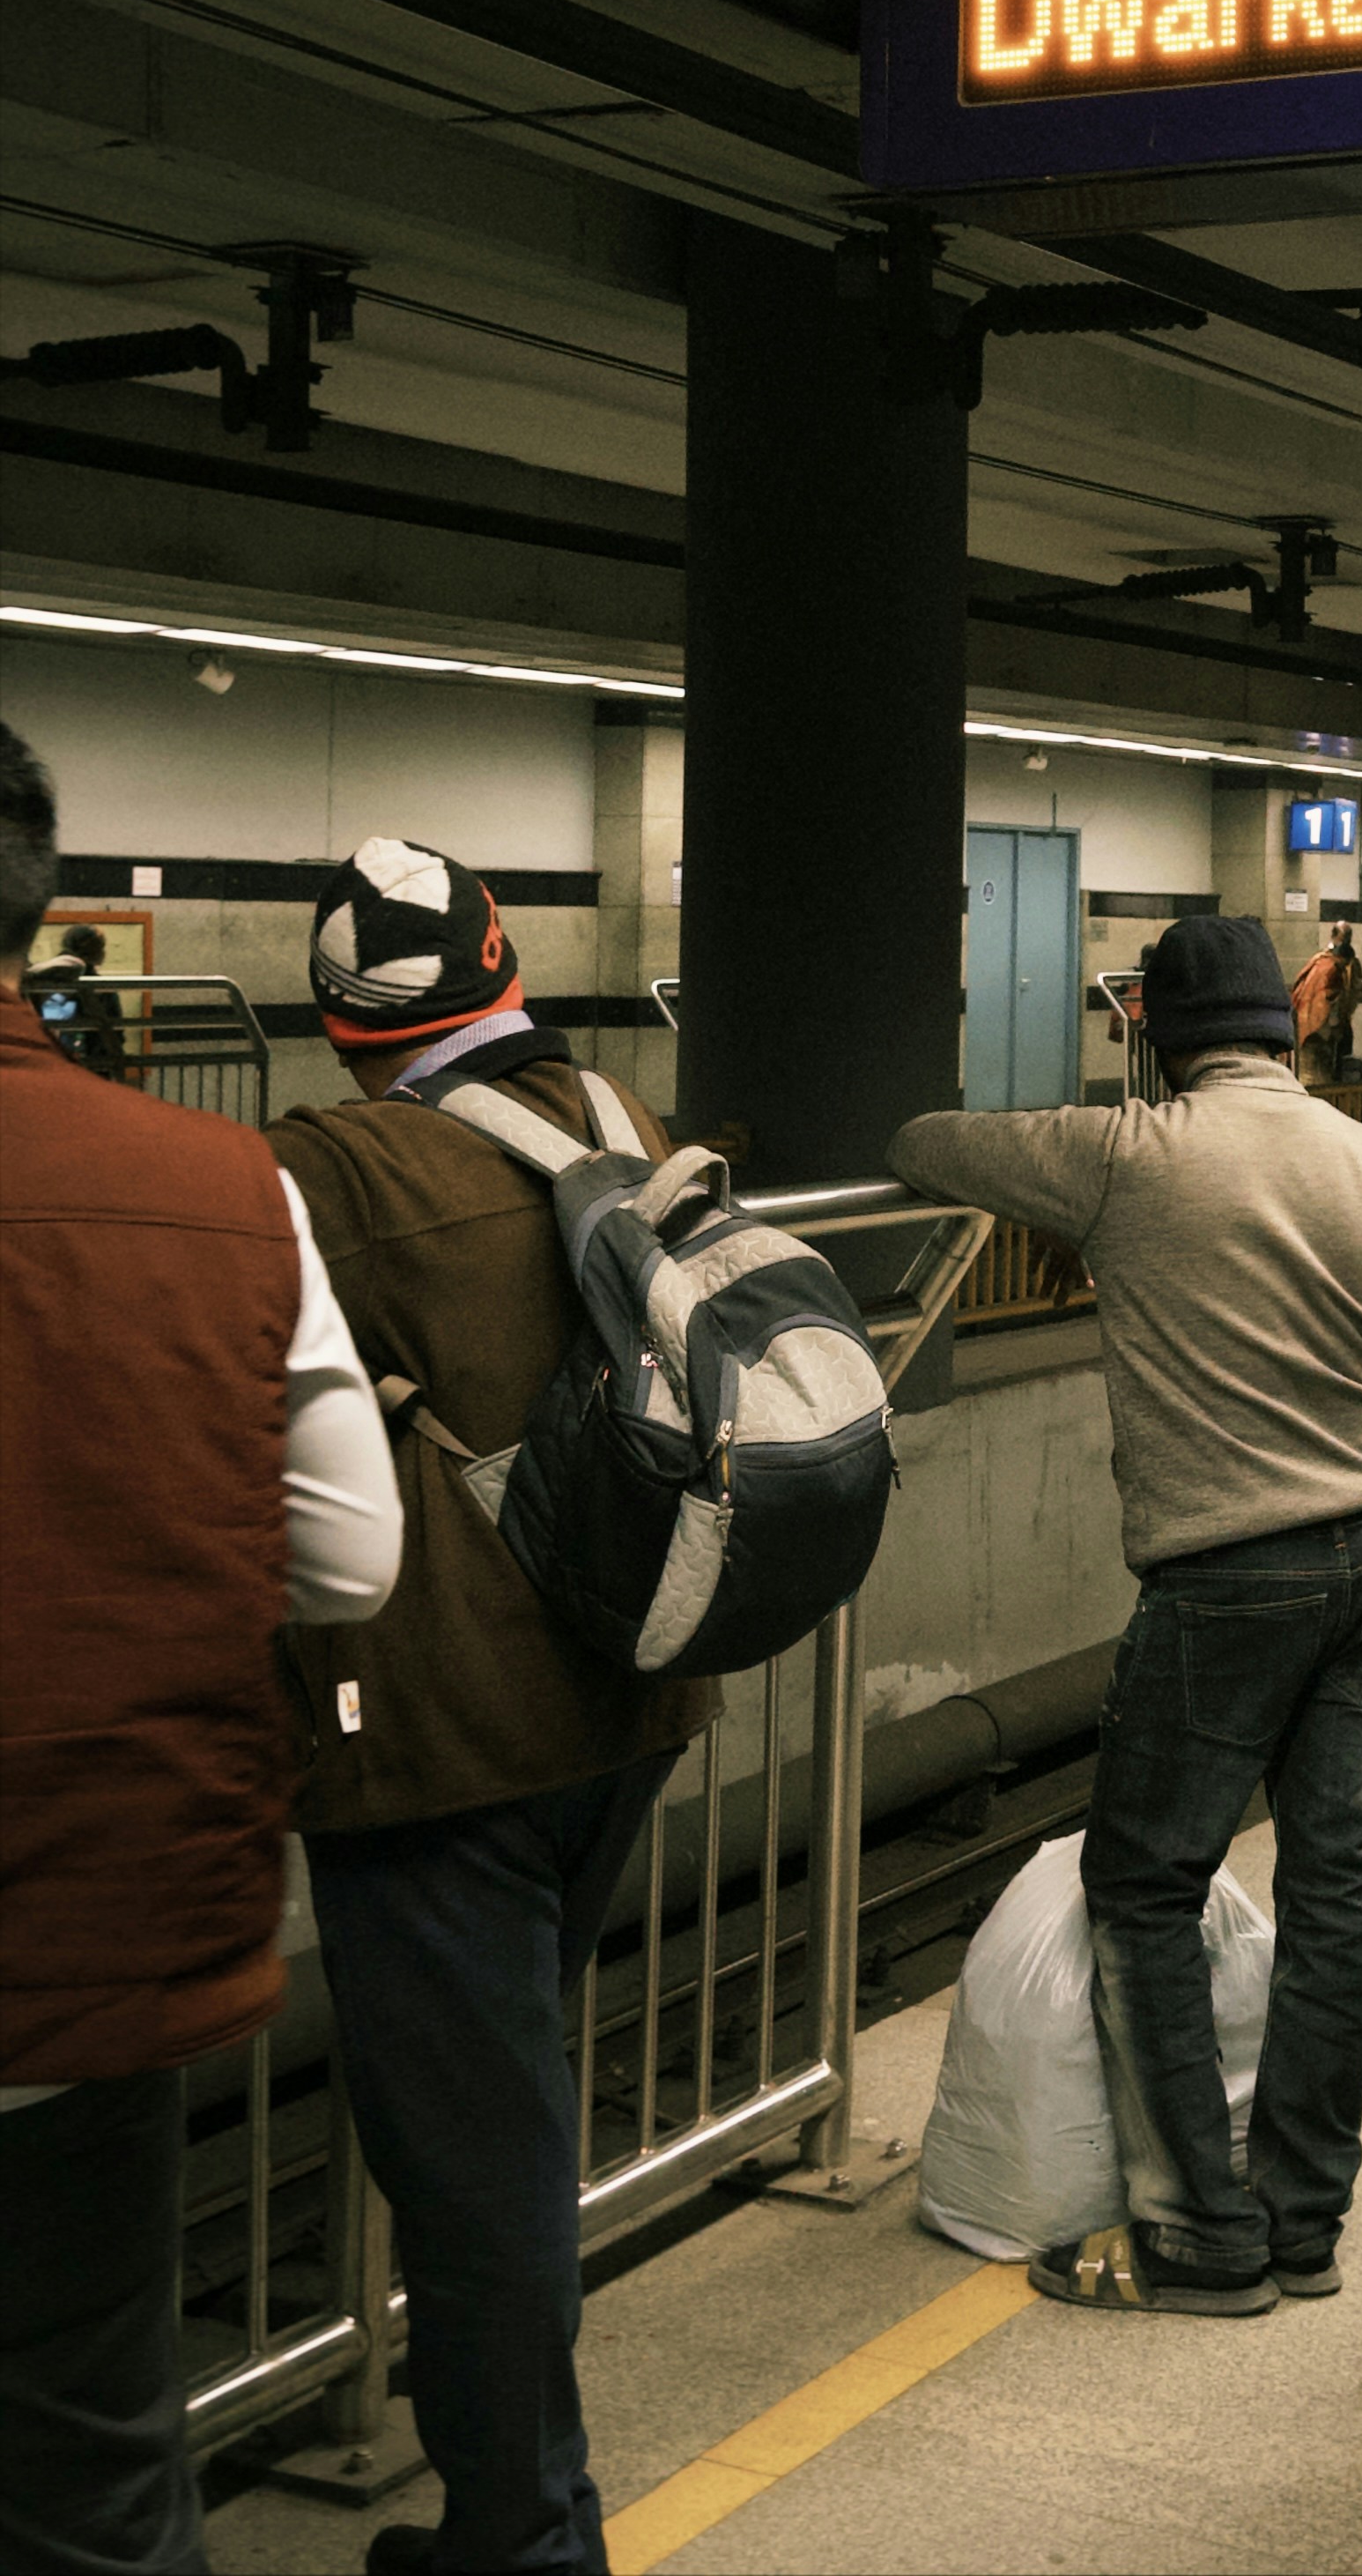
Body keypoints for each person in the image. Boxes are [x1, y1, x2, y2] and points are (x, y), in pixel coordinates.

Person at [893, 914, 1362, 2317]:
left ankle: (1201, 2236)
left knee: (1142, 1888)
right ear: (1290, 1026)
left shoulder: (1125, 1155)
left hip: (1223, 1578)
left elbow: (922, 1143)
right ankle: (1303, 2224)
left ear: (1153, 1029)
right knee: (1340, 1899)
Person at [267, 835, 718, 2576]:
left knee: (472, 2177)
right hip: (632, 1689)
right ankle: (516, 2511)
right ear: (504, 964)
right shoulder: (622, 1114)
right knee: (507, 2118)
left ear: (336, 1023)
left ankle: (526, 2541)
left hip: (446, 1737)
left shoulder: (326, 1171)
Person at [0, 726, 399, 2576]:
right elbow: (350, 1555)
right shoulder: (231, 1188)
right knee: (93, 2463)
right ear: (45, 923)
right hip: (101, 1935)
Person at [26, 921, 126, 1078]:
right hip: (92, 1068)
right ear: (97, 952)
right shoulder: (102, 989)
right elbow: (116, 1034)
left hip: (49, 1065)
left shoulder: (42, 980)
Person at [1288, 919, 1362, 1086]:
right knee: (1317, 1074)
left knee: (1314, 1071)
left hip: (1309, 1025)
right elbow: (1330, 999)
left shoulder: (1322, 961)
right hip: (1320, 1027)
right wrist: (1334, 1027)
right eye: (1345, 937)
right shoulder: (1332, 966)